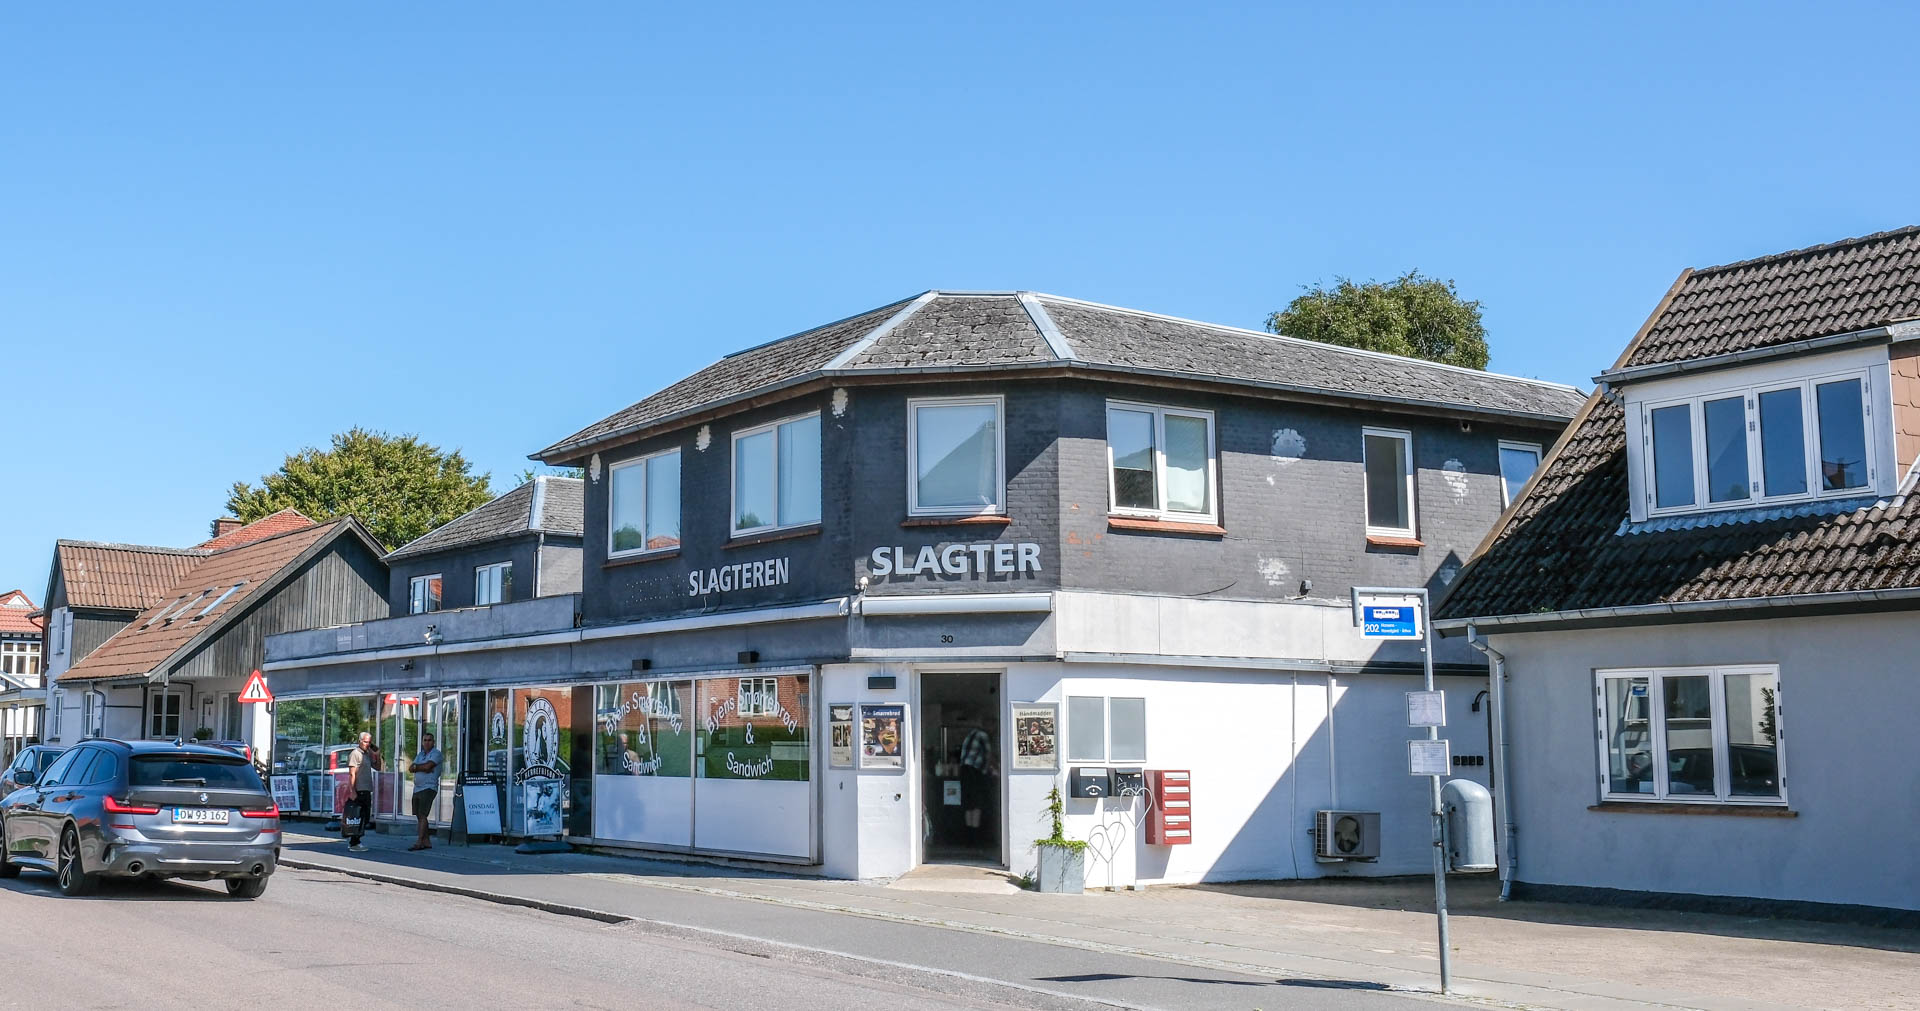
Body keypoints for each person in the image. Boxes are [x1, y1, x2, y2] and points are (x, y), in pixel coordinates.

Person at [345, 731, 381, 851]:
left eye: (369, 742)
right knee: (358, 817)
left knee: (365, 817)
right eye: (365, 742)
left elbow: (377, 767)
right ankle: (354, 842)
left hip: (366, 789)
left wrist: (377, 754)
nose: (367, 744)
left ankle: (356, 840)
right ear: (359, 741)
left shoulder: (367, 754)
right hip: (359, 789)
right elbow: (352, 773)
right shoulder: (356, 754)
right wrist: (352, 790)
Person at [407, 732, 442, 851]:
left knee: (422, 814)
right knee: (418, 815)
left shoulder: (436, 754)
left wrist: (419, 767)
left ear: (433, 742)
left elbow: (428, 766)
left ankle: (419, 841)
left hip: (428, 787)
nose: (427, 742)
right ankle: (426, 841)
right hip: (417, 788)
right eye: (425, 740)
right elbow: (411, 768)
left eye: (429, 740)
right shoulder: (420, 755)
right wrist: (421, 767)